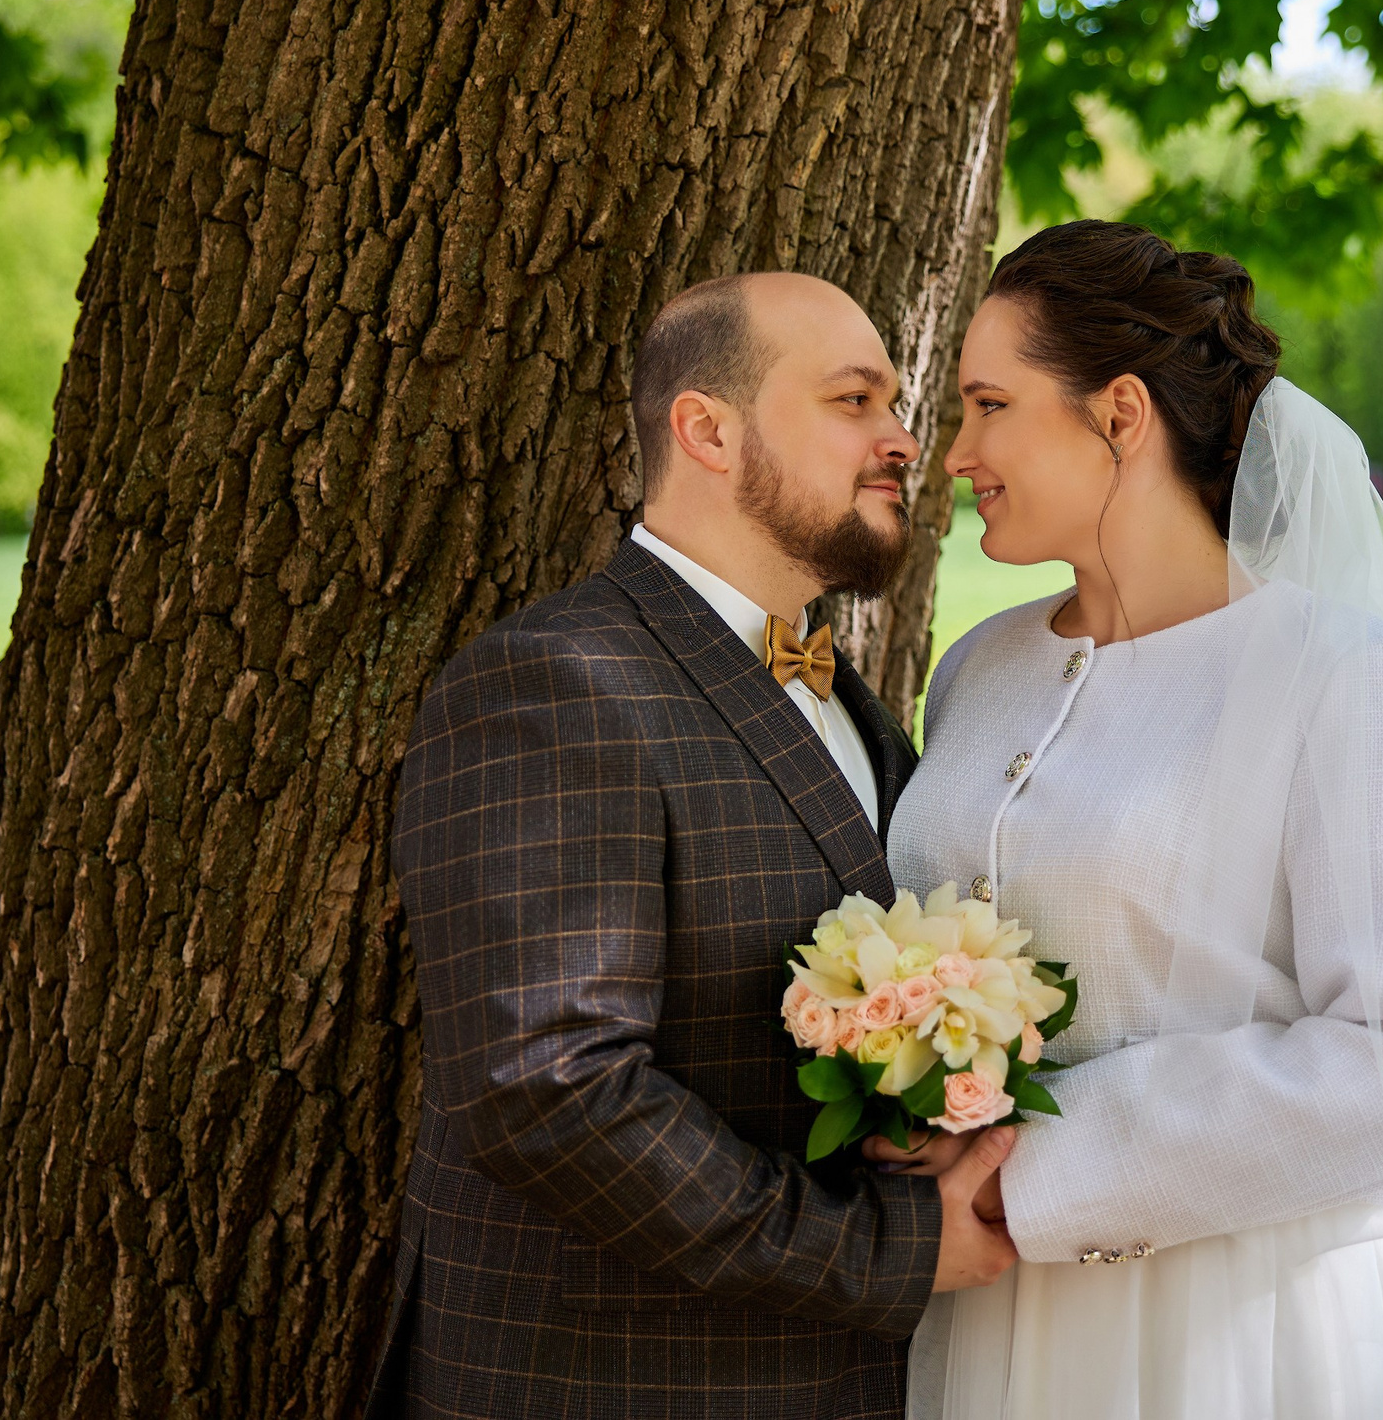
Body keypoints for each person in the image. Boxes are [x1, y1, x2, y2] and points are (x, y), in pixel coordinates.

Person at [877, 221, 1383, 1419]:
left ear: (1120, 414)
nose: (956, 454)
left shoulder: (1343, 676)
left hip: (1248, 1326)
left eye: (989, 406)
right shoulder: (979, 668)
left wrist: (1029, 1168)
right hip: (987, 1312)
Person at [369, 272, 1018, 1420]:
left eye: (894, 404)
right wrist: (884, 1251)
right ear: (706, 431)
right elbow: (551, 1091)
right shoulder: (555, 684)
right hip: (607, 1381)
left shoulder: (849, 700)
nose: (903, 440)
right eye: (853, 400)